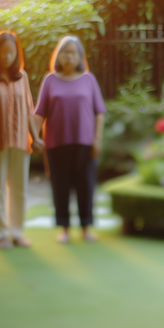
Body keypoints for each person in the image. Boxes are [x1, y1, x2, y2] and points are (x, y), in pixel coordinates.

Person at [33, 35, 106, 243]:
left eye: (73, 52)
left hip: (85, 143)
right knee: (60, 185)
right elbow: (40, 112)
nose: (69, 56)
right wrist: (33, 137)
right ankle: (64, 228)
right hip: (56, 143)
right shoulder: (50, 80)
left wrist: (97, 140)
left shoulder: (89, 79)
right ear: (59, 55)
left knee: (86, 185)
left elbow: (99, 112)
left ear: (80, 56)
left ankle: (86, 227)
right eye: (65, 52)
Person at [0, 32, 44, 249]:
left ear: (16, 54)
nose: (7, 57)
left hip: (21, 141)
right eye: (3, 53)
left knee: (19, 188)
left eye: (11, 53)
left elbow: (29, 109)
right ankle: (1, 234)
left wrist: (37, 137)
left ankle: (16, 232)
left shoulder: (21, 77)